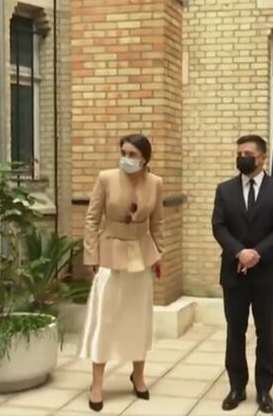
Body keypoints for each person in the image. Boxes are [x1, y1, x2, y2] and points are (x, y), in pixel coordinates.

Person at [79, 133, 164, 412]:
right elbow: (92, 219)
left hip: (142, 254)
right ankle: (97, 384)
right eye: (124, 153)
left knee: (139, 318)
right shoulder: (106, 178)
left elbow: (157, 223)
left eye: (132, 155)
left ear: (144, 159)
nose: (126, 159)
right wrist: (91, 254)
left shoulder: (155, 183)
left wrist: (159, 255)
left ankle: (138, 375)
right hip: (110, 253)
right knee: (105, 319)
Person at [211, 134, 273, 414]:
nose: (241, 158)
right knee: (235, 331)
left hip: (266, 273)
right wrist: (239, 252)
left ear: (262, 158)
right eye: (239, 154)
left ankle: (264, 389)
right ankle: (237, 386)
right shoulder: (224, 190)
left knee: (265, 333)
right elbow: (219, 226)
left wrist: (256, 253)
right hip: (233, 272)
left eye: (247, 154)